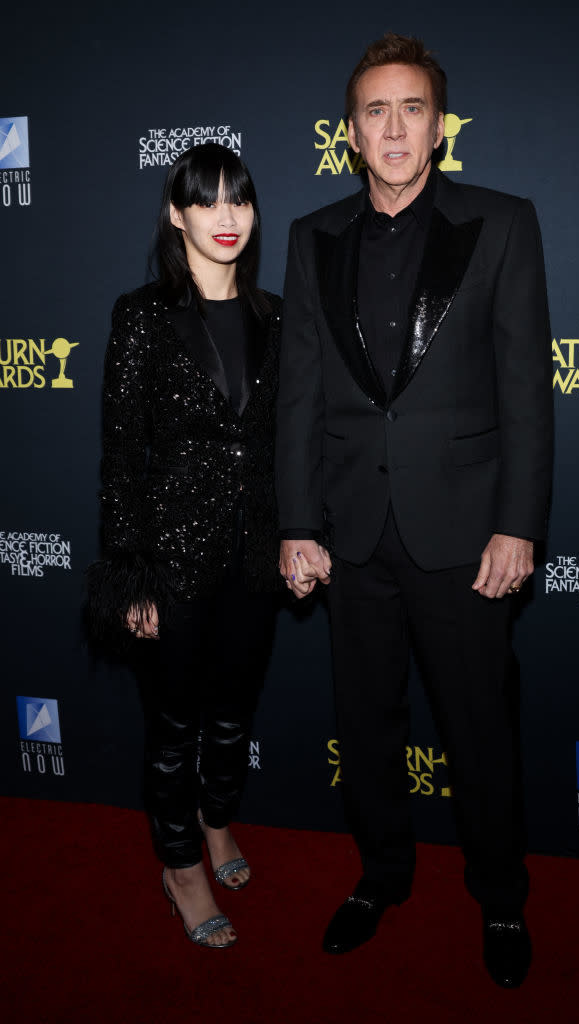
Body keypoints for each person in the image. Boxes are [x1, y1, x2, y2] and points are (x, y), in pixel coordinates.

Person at [276, 33, 553, 987]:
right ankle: (381, 876)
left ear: (439, 124)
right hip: (351, 535)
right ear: (349, 132)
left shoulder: (503, 224)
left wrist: (518, 523)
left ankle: (500, 895)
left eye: (411, 109)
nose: (393, 128)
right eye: (374, 112)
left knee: (478, 728)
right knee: (365, 728)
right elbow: (300, 394)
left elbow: (526, 392)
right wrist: (295, 522)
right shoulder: (312, 237)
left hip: (467, 536)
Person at [88, 143, 281, 949]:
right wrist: (132, 577)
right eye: (206, 200)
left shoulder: (276, 316)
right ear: (176, 214)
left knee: (233, 714)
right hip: (170, 559)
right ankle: (179, 866)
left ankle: (216, 819)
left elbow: (285, 444)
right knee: (173, 729)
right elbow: (121, 451)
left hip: (254, 556)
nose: (227, 215)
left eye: (238, 198)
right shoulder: (141, 315)